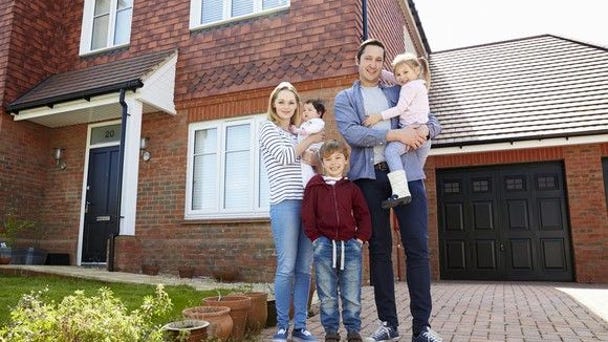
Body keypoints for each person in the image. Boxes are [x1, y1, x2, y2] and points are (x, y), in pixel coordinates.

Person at [334, 39, 443, 342]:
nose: (372, 64)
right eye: (367, 58)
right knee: (380, 250)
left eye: (378, 60)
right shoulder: (346, 98)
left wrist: (423, 131)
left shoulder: (398, 89)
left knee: (417, 248)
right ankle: (388, 324)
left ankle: (422, 327)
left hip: (407, 176)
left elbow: (431, 119)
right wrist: (396, 133)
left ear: (383, 64)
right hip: (369, 180)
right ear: (357, 61)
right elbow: (354, 134)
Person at [258, 81, 324, 342]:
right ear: (274, 104)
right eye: (281, 101)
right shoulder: (267, 128)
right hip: (284, 203)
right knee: (286, 267)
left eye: (291, 102)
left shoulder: (298, 132)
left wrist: (313, 152)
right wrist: (310, 139)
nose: (286, 106)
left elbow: (317, 165)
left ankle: (302, 326)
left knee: (304, 268)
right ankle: (282, 327)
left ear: (297, 106)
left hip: (308, 203)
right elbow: (286, 157)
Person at [302, 139, 372, 342]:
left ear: (346, 160)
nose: (334, 163)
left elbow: (364, 215)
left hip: (350, 246)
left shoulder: (351, 188)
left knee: (351, 293)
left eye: (338, 158)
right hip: (324, 246)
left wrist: (360, 239)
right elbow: (308, 215)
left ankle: (353, 330)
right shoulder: (314, 187)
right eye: (328, 159)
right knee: (327, 294)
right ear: (322, 163)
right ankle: (331, 331)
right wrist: (315, 239)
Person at [362, 53, 432, 209]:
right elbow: (394, 78)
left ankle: (400, 191)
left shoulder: (408, 88)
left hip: (412, 131)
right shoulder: (419, 84)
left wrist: (378, 117)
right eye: (398, 74)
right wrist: (379, 70)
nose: (401, 77)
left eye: (405, 72)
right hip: (423, 136)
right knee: (415, 174)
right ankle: (408, 190)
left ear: (416, 69)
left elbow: (400, 108)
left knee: (391, 152)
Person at [291, 99, 326, 187]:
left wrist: (298, 130)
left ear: (319, 113)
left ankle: (310, 184)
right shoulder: (305, 124)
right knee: (306, 167)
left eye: (310, 110)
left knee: (308, 166)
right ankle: (309, 184)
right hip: (306, 150)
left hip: (313, 149)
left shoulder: (318, 122)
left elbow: (313, 129)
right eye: (304, 110)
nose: (306, 112)